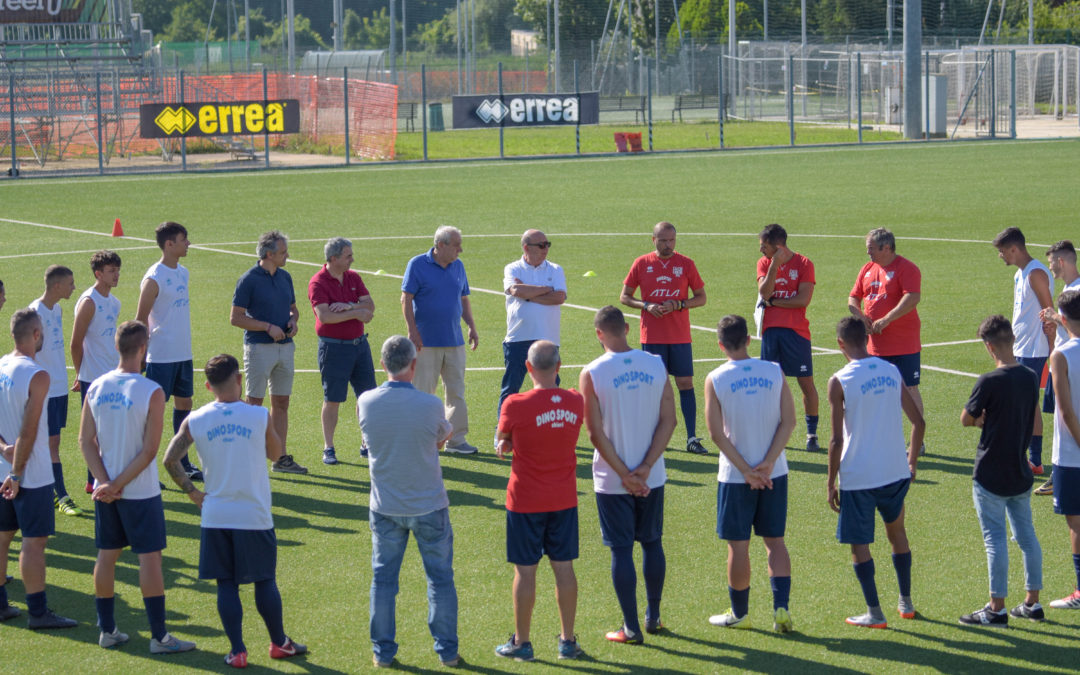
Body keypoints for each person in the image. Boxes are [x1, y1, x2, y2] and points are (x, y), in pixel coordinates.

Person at [163, 354, 307, 668]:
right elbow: (276, 453)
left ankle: (238, 651)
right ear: (239, 379)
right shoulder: (259, 415)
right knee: (264, 580)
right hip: (254, 514)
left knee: (226, 584)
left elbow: (170, 460)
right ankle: (279, 643)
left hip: (216, 515)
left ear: (207, 385)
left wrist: (193, 493)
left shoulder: (195, 419)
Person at [79, 320, 197, 653]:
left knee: (106, 556)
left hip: (106, 493)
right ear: (143, 349)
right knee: (150, 559)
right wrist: (117, 483)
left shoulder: (97, 387)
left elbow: (84, 441)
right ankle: (159, 637)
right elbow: (149, 451)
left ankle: (107, 630)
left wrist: (104, 482)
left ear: (117, 347)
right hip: (140, 493)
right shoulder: (152, 391)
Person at [357, 336, 460, 668]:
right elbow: (443, 435)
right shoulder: (430, 404)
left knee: (383, 581)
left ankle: (382, 653)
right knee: (440, 579)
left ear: (383, 364)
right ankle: (447, 652)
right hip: (429, 504)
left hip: (385, 506)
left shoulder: (366, 401)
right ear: (414, 365)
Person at [580, 306, 676, 644]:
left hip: (611, 479)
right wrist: (646, 468)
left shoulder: (592, 372)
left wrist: (624, 475)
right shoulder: (655, 364)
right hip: (653, 476)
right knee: (652, 543)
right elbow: (670, 420)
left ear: (599, 334)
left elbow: (594, 433)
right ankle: (654, 616)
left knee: (621, 551)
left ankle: (631, 627)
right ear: (628, 329)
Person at [827, 316, 924, 629]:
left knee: (860, 544)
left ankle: (874, 612)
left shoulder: (839, 380)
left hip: (859, 477)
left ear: (841, 343)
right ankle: (906, 603)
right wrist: (911, 462)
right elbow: (919, 422)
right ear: (866, 338)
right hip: (894, 471)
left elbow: (836, 439)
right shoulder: (891, 370)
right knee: (898, 534)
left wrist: (830, 482)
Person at [704, 315, 796, 632]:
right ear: (748, 339)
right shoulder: (773, 371)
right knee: (776, 543)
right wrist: (768, 463)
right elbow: (789, 422)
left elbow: (716, 434)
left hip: (735, 477)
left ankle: (740, 615)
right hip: (776, 473)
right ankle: (781, 609)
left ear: (720, 344)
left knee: (738, 547)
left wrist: (747, 471)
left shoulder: (715, 378)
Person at [494, 340, 584, 661]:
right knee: (564, 569)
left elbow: (504, 437)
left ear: (527, 368)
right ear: (559, 367)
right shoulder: (575, 401)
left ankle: (522, 643)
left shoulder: (514, 404)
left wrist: (506, 442)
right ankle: (568, 641)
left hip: (525, 501)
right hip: (563, 499)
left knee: (525, 572)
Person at [958, 315, 1043, 626]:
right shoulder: (1031, 376)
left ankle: (996, 608)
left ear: (989, 346)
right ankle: (1032, 603)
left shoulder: (989, 381)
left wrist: (982, 420)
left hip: (990, 473)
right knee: (1027, 536)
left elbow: (966, 418)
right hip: (1020, 471)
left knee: (995, 540)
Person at [0, 308, 77, 629]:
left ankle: (2, 606)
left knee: (2, 539)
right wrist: (17, 474)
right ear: (34, 334)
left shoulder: (1, 365)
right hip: (29, 476)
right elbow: (29, 431)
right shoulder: (38, 374)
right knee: (33, 542)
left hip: (2, 471)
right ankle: (38, 613)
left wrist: (3, 451)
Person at [621, 221, 707, 455]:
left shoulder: (686, 264)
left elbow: (701, 297)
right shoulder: (641, 263)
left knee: (685, 383)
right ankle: (651, 438)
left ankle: (691, 437)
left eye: (671, 240)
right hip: (652, 336)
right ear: (653, 240)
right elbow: (625, 297)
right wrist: (646, 305)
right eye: (663, 240)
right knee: (653, 388)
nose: (668, 245)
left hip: (680, 337)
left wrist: (679, 304)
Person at [230, 230, 306, 475]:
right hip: (258, 349)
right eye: (283, 252)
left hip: (285, 349)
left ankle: (280, 457)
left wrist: (293, 321)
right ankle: (250, 459)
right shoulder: (249, 279)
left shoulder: (285, 277)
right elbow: (236, 318)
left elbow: (293, 309)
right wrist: (267, 327)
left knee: (281, 402)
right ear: (269, 254)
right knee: (254, 404)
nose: (287, 256)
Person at [401, 225, 480, 455]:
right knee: (424, 393)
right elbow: (406, 299)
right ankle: (421, 440)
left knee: (456, 391)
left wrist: (471, 326)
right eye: (456, 245)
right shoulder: (417, 264)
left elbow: (463, 299)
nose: (461, 250)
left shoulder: (459, 266)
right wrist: (412, 331)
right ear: (441, 245)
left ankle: (456, 440)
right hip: (425, 342)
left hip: (454, 341)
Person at [847, 228, 925, 452]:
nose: (868, 253)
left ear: (886, 247)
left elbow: (913, 297)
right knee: (877, 390)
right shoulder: (868, 269)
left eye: (871, 248)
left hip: (904, 342)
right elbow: (853, 296)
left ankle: (917, 440)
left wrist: (887, 319)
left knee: (909, 389)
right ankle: (882, 437)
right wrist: (860, 316)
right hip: (876, 345)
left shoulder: (907, 268)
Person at [135, 222, 202, 482]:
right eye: (184, 240)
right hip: (160, 356)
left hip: (183, 353)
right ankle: (146, 467)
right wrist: (140, 354)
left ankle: (182, 461)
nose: (188, 244)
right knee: (154, 413)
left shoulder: (183, 272)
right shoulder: (154, 277)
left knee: (185, 405)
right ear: (169, 244)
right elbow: (140, 318)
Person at [308, 237, 376, 465]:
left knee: (367, 397)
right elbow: (325, 316)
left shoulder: (354, 277)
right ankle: (329, 447)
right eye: (348, 256)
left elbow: (370, 307)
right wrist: (357, 312)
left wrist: (348, 306)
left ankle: (367, 443)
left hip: (360, 346)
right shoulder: (317, 282)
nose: (352, 259)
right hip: (333, 348)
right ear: (334, 258)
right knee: (333, 399)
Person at [993, 227, 1055, 476]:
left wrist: (1052, 351)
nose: (1000, 256)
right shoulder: (1021, 274)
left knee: (1027, 404)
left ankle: (1034, 460)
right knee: (1021, 403)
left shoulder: (1035, 274)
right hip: (1021, 347)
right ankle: (1026, 457)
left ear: (1014, 249)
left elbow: (1049, 314)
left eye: (1002, 251)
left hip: (1034, 350)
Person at [497, 230, 567, 449]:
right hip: (518, 338)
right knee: (511, 389)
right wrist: (545, 290)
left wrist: (528, 293)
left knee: (551, 390)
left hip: (548, 339)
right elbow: (515, 290)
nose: (546, 249)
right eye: (541, 245)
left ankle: (552, 435)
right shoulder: (513, 268)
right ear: (526, 247)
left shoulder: (555, 269)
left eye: (548, 244)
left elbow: (560, 296)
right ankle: (502, 436)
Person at [757, 224, 821, 452]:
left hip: (797, 333)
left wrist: (774, 302)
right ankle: (770, 432)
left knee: (806, 384)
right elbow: (764, 293)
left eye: (764, 246)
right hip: (770, 332)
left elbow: (802, 300)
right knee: (769, 385)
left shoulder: (804, 264)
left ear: (777, 246)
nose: (761, 250)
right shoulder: (765, 263)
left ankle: (811, 433)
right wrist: (775, 263)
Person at [29, 265, 81, 516]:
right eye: (70, 283)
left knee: (53, 441)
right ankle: (60, 495)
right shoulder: (34, 312)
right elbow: (28, 353)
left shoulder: (57, 309)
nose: (74, 287)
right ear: (57, 285)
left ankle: (49, 491)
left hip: (59, 387)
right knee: (48, 444)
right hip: (44, 391)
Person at [71, 250, 122, 492]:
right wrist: (79, 374)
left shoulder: (113, 302)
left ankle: (104, 475)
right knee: (93, 432)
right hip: (92, 377)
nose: (116, 275)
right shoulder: (89, 302)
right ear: (98, 274)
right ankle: (93, 481)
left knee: (110, 428)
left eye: (117, 270)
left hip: (112, 374)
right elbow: (75, 342)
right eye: (111, 271)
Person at [1035, 240, 1080, 496]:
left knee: (1067, 415)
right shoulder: (1069, 288)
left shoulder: (1078, 290)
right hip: (1061, 359)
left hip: (1070, 363)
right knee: (1060, 417)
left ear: (1061, 262)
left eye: (1051, 262)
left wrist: (1055, 317)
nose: (1050, 267)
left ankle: (1060, 473)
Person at [1046, 289, 1080, 611]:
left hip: (1072, 456)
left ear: (1063, 318)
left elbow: (1066, 412)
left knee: (1077, 523)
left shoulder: (1061, 356)